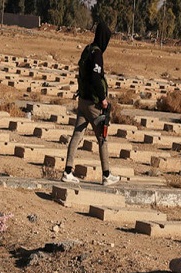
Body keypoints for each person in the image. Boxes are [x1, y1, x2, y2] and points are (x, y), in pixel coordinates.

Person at [61, 21, 120, 186]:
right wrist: (103, 100)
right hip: (93, 104)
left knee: (77, 135)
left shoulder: (87, 49)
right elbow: (95, 78)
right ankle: (107, 175)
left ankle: (67, 171)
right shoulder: (97, 54)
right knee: (103, 138)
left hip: (82, 101)